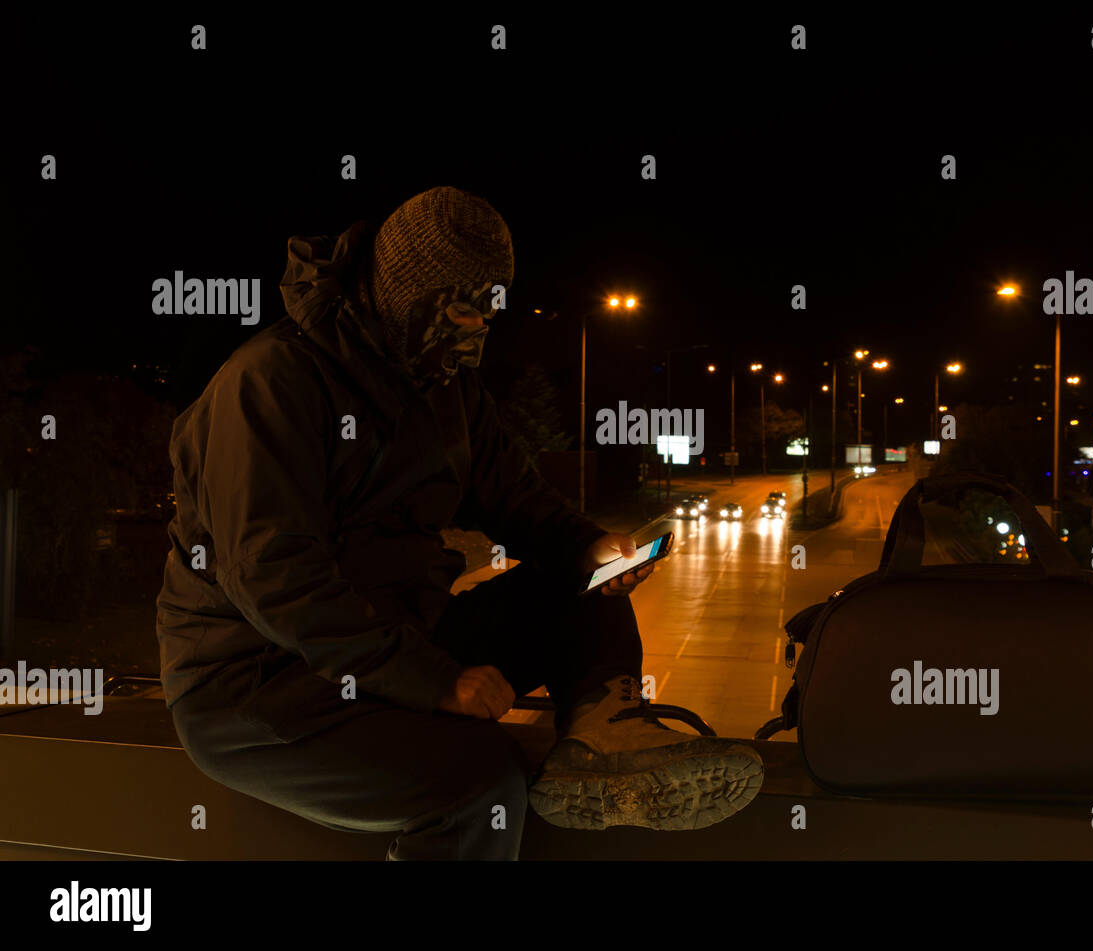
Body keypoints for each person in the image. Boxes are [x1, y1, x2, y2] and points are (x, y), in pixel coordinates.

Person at [155, 186, 763, 860]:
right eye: (467, 308)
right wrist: (433, 679)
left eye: (492, 310)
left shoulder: (445, 390)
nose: (481, 330)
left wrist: (590, 547)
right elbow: (276, 578)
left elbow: (516, 495)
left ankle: (603, 746)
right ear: (408, 300)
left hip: (398, 636)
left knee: (580, 588)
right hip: (261, 685)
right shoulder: (269, 386)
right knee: (478, 787)